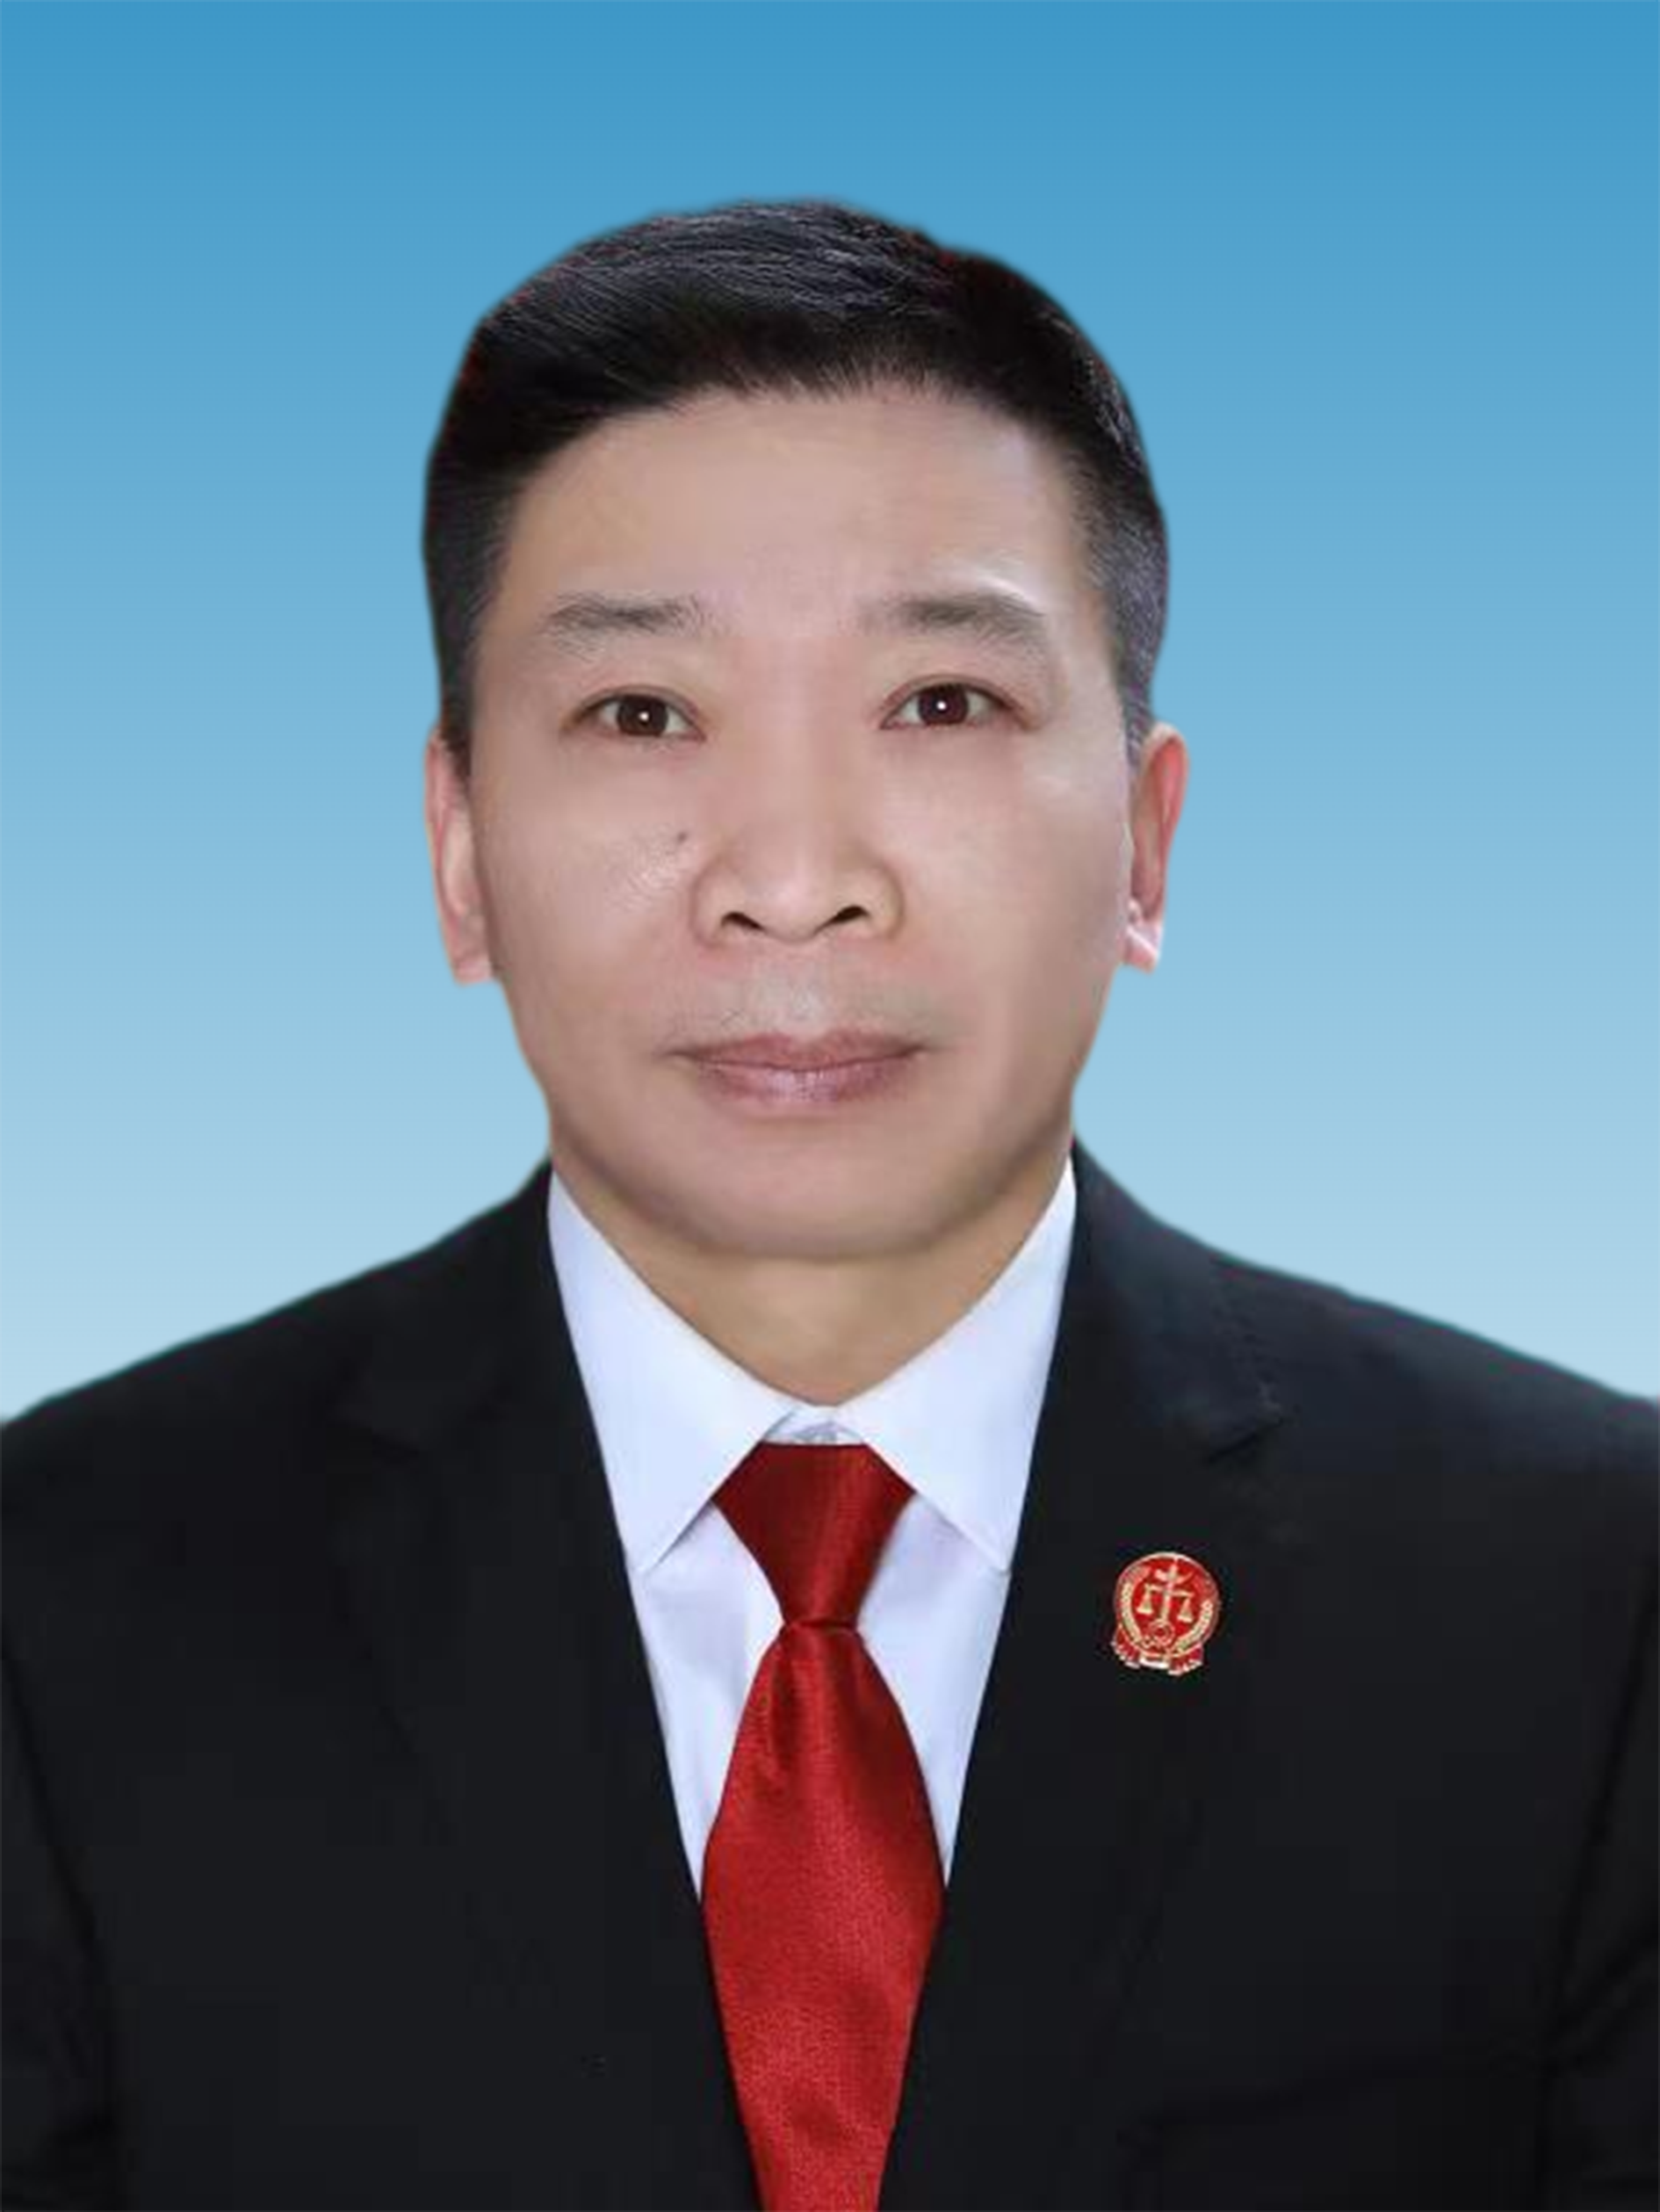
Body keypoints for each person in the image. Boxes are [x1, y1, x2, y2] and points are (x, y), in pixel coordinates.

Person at [1, 198, 1656, 2212]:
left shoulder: (1581, 1591)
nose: (793, 881)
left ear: (1146, 843)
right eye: (641, 713)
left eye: (941, 702)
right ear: (459, 849)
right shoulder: (64, 1594)